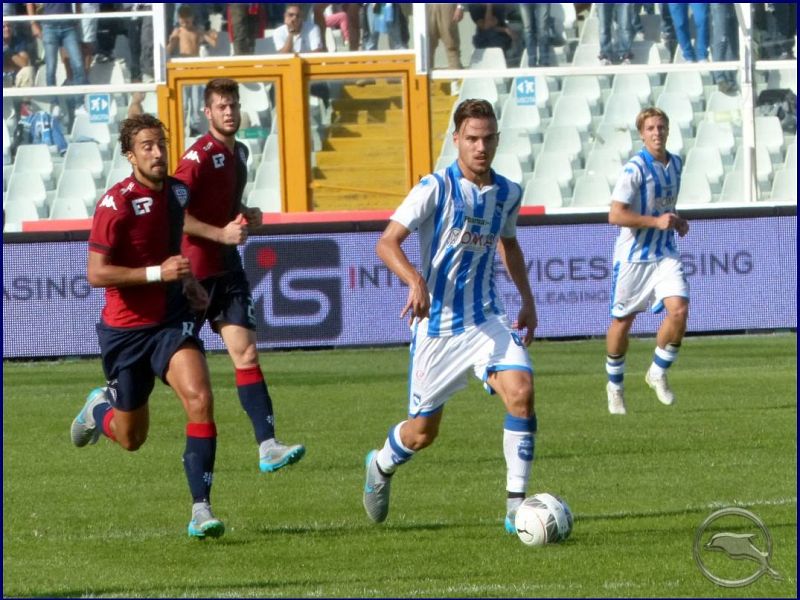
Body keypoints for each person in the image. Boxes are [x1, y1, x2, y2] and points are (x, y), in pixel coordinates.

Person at [362, 99, 539, 534]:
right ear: (456, 139)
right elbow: (386, 242)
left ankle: (516, 508)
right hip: (438, 328)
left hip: (487, 319)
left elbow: (509, 244)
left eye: (488, 138)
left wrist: (527, 299)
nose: (481, 147)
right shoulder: (434, 188)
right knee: (422, 434)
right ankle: (381, 464)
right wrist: (414, 280)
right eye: (472, 138)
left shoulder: (508, 193)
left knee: (521, 391)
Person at [70, 113, 226, 539]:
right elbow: (96, 273)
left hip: (170, 321)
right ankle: (98, 408)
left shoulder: (177, 192)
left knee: (200, 399)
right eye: (147, 147)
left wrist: (188, 283)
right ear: (130, 155)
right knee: (131, 438)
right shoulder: (115, 204)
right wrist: (158, 273)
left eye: (161, 144)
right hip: (125, 332)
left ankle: (201, 509)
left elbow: (171, 249)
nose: (158, 153)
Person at [173, 78, 306, 474]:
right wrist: (220, 234)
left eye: (233, 105)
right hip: (195, 274)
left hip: (228, 269)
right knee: (160, 362)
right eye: (221, 106)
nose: (229, 112)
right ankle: (112, 397)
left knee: (246, 354)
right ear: (207, 113)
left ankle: (268, 446)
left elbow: (222, 203)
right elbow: (175, 213)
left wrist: (245, 212)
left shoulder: (241, 152)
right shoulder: (196, 159)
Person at [605, 107, 689, 416]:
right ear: (642, 134)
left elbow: (664, 207)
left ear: (668, 130)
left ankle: (657, 371)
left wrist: (676, 220)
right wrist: (655, 222)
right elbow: (615, 215)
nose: (657, 132)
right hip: (634, 258)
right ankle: (615, 386)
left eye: (661, 127)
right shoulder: (635, 168)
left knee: (679, 310)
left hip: (664, 253)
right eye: (651, 128)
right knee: (623, 322)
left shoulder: (676, 163)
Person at [426, 3, 464, 69]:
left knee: (452, 46)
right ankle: (426, 75)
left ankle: (456, 73)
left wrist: (460, 6)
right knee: (427, 48)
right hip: (426, 6)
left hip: (447, 5)